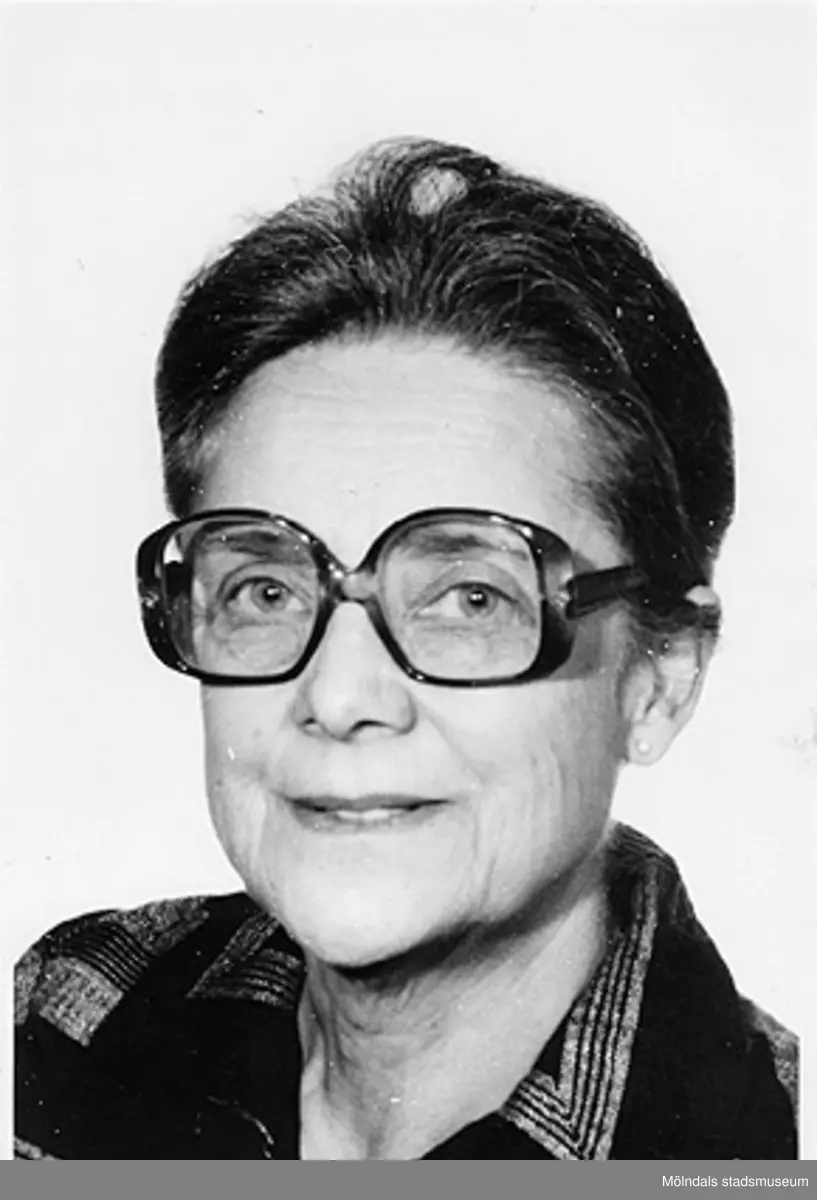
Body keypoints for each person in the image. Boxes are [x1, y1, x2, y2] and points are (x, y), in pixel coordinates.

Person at [14, 137, 797, 1160]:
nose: (339, 696)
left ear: (660, 679)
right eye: (266, 589)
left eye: (470, 597)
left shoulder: (767, 1147)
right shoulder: (64, 1017)